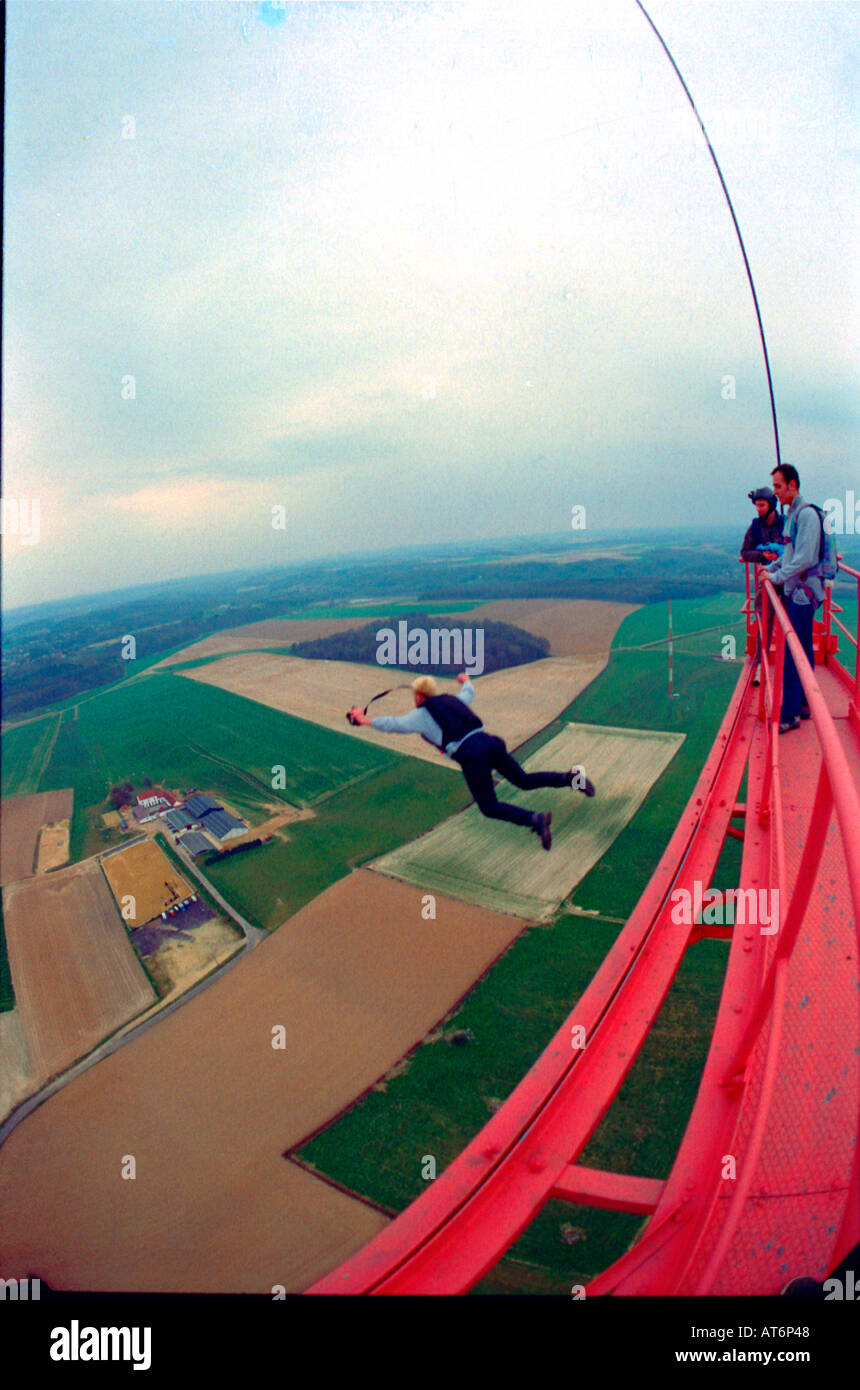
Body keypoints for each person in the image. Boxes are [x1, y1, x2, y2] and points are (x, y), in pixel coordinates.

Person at [349, 673, 595, 851]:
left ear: (418, 695)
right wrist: (466, 680)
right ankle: (572, 779)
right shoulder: (453, 701)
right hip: (489, 742)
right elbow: (468, 693)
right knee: (524, 780)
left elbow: (394, 724)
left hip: (472, 755)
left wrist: (363, 720)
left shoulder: (421, 714)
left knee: (489, 807)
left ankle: (535, 819)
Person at [764, 464, 826, 732]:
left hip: (803, 594)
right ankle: (803, 703)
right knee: (800, 648)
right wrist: (773, 569)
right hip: (796, 591)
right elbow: (789, 555)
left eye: (778, 486)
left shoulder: (807, 515)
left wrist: (776, 578)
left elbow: (805, 558)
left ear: (792, 485)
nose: (775, 492)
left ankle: (789, 716)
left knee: (790, 653)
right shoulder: (792, 515)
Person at [739, 487, 785, 684]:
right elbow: (745, 552)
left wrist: (781, 556)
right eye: (757, 505)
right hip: (767, 581)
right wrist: (762, 556)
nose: (758, 509)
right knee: (763, 624)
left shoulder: (785, 523)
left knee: (791, 625)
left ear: (771, 505)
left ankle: (791, 669)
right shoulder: (756, 527)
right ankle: (759, 665)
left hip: (788, 578)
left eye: (762, 505)